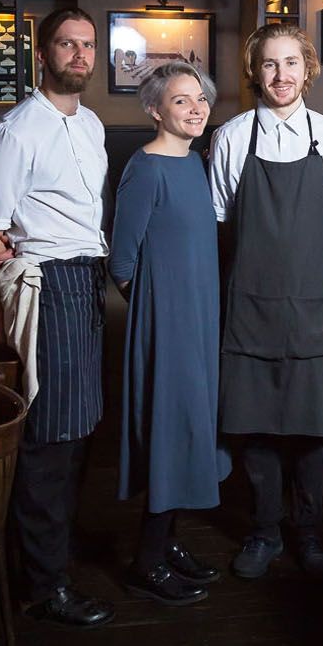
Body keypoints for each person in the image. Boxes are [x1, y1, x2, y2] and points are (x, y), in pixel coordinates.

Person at [0, 8, 114, 628]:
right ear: (42, 53)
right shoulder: (15, 131)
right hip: (47, 282)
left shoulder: (93, 125)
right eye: (66, 44)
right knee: (51, 436)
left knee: (78, 430)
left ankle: (51, 560)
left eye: (87, 45)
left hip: (87, 279)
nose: (78, 55)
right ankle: (43, 584)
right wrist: (13, 310)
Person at [209, 26, 323, 579]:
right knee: (256, 423)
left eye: (291, 63)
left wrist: (311, 264)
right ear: (255, 72)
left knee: (315, 426)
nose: (280, 76)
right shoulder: (231, 138)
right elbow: (222, 219)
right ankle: (263, 531)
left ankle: (310, 532)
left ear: (308, 68)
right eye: (269, 65)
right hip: (249, 305)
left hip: (315, 305)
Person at [110, 62, 229, 606]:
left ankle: (169, 544)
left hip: (201, 317)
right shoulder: (147, 167)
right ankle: (147, 560)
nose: (195, 108)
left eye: (200, 99)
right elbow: (122, 261)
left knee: (189, 429)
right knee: (167, 430)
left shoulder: (197, 164)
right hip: (169, 324)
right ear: (155, 109)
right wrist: (161, 317)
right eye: (181, 101)